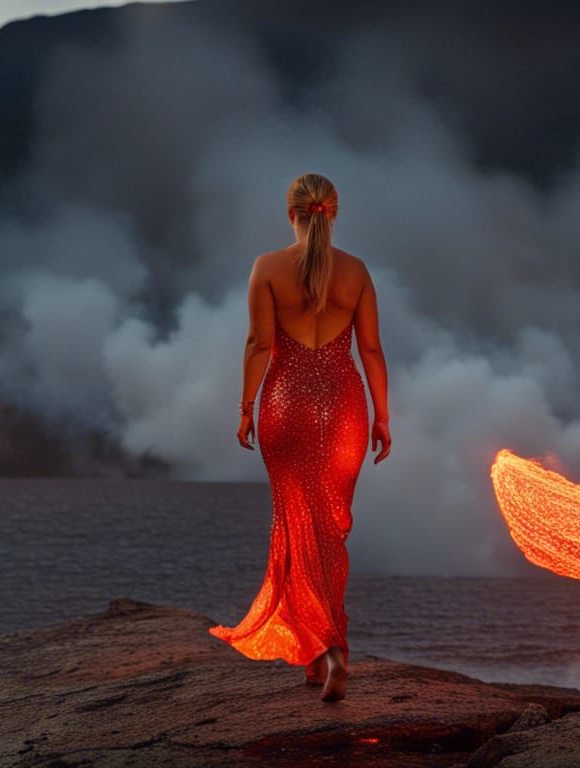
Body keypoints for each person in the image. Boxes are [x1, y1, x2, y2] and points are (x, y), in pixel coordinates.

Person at [208, 172, 391, 702]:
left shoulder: (267, 268)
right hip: (345, 411)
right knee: (329, 531)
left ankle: (326, 650)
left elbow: (258, 344)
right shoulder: (356, 271)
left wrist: (245, 407)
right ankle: (326, 652)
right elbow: (372, 351)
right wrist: (382, 416)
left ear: (291, 214)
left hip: (285, 409)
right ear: (333, 213)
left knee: (297, 526)